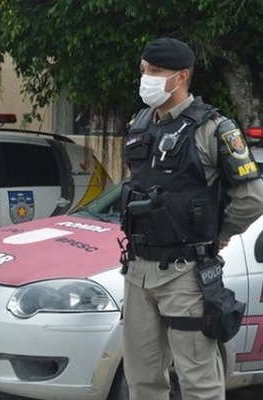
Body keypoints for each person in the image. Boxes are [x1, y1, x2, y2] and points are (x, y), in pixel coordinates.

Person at [120, 37, 263, 399]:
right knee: (142, 381)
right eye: (143, 71)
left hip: (185, 275)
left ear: (182, 76)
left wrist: (219, 234)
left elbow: (252, 198)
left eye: (155, 72)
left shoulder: (213, 128)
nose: (146, 79)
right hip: (137, 270)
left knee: (199, 383)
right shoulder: (141, 123)